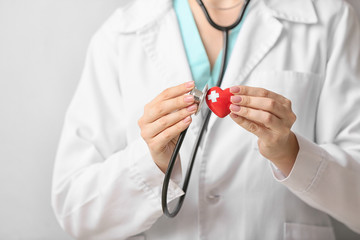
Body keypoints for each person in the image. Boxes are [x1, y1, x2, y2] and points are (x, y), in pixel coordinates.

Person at [51, 0, 360, 239]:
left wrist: (290, 154)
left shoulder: (330, 18)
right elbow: (75, 209)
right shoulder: (120, 34)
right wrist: (152, 164)